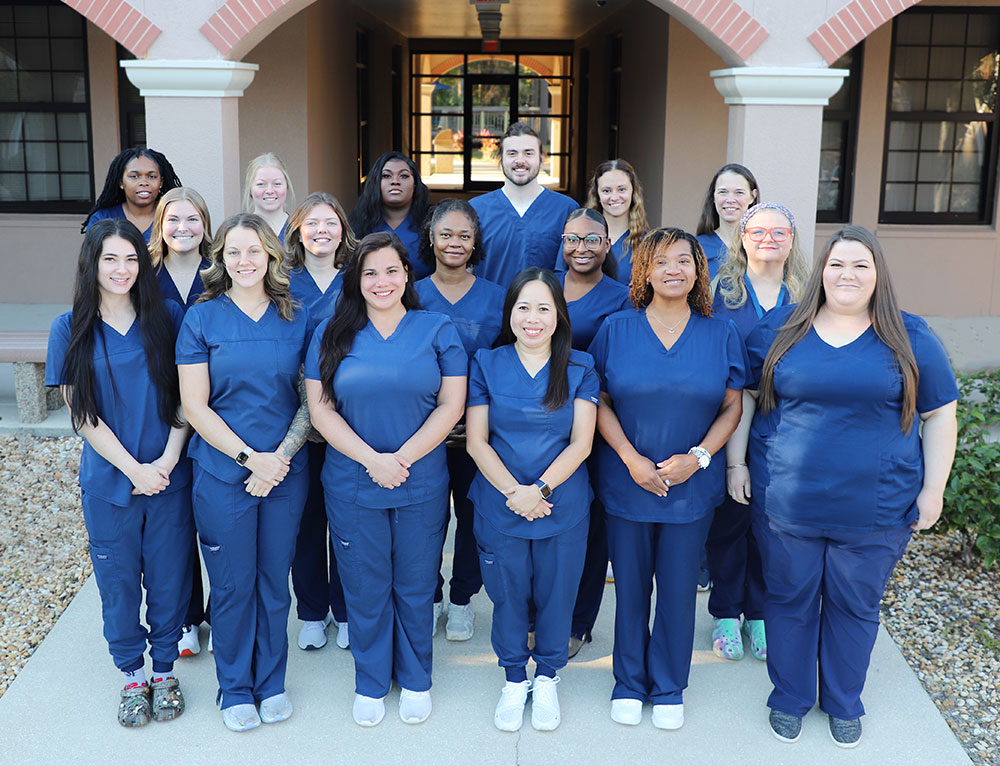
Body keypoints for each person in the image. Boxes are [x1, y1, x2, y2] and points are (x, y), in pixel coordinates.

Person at [734, 225, 959, 748]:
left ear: (878, 274)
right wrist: (735, 464)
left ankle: (842, 701)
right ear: (820, 272)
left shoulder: (910, 335)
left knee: (854, 605)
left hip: (877, 505)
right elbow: (745, 397)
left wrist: (934, 489)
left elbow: (941, 414)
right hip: (790, 499)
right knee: (788, 599)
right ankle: (789, 697)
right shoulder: (783, 330)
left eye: (860, 265)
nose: (847, 274)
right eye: (837, 264)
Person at [305, 232, 466, 727]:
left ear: (407, 275)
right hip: (354, 479)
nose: (381, 281)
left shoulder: (437, 328)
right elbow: (321, 410)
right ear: (355, 279)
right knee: (366, 584)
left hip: (421, 479)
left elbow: (452, 405)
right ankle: (371, 681)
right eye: (369, 272)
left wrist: (403, 457)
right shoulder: (332, 332)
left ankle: (416, 678)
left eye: (391, 270)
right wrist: (372, 459)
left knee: (416, 583)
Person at [588, 228, 745, 730]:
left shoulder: (720, 332)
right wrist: (631, 458)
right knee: (631, 588)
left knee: (678, 588)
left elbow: (732, 404)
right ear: (644, 272)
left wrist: (698, 457)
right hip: (626, 480)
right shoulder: (615, 329)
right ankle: (629, 682)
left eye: (685, 260)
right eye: (661, 261)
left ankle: (670, 684)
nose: (673, 269)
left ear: (700, 270)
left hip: (691, 487)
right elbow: (601, 402)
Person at [46, 219, 192, 727]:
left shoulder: (168, 317)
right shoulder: (70, 328)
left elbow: (186, 401)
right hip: (111, 484)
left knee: (171, 578)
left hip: (169, 477)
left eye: (130, 258)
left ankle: (166, 670)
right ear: (92, 264)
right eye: (110, 259)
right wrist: (134, 469)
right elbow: (83, 414)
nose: (122, 269)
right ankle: (132, 674)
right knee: (119, 581)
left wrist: (168, 462)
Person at [176, 213, 312, 732]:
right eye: (233, 252)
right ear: (220, 259)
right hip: (222, 472)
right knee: (233, 585)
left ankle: (271, 681)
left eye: (255, 251)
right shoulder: (202, 319)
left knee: (274, 581)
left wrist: (276, 459)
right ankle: (234, 687)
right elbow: (195, 405)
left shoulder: (295, 316)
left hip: (284, 471)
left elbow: (309, 398)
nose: (244, 261)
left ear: (272, 257)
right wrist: (248, 459)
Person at [466, 268, 599, 732]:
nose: (533, 317)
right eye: (524, 307)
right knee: (507, 595)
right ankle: (511, 679)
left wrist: (538, 490)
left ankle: (545, 677)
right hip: (501, 502)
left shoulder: (580, 367)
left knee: (557, 593)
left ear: (559, 315)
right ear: (510, 314)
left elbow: (582, 443)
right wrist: (514, 493)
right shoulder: (485, 362)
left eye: (544, 307)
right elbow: (477, 441)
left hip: (560, 504)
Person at [705, 201, 809, 664]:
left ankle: (761, 613)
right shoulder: (718, 292)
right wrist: (734, 460)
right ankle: (725, 611)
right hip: (729, 420)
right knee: (730, 522)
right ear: (742, 237)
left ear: (792, 240)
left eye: (779, 232)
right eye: (759, 231)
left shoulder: (808, 296)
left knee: (773, 530)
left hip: (788, 432)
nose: (768, 240)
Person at [414, 199, 505, 641]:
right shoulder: (410, 293)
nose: (454, 243)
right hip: (422, 434)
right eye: (445, 234)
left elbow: (506, 364)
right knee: (427, 522)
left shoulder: (497, 297)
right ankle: (429, 597)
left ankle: (463, 599)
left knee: (474, 521)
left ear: (475, 243)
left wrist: (483, 421)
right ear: (430, 238)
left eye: (463, 235)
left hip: (477, 433)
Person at [284, 191, 358, 652]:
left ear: (342, 231)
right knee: (306, 522)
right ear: (297, 231)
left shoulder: (357, 282)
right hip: (296, 425)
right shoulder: (280, 282)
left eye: (330, 223)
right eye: (311, 224)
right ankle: (312, 611)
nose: (321, 232)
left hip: (349, 422)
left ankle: (347, 610)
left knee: (347, 523)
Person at [557, 208, 630, 658]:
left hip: (596, 422)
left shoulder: (622, 298)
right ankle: (537, 614)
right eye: (572, 239)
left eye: (591, 240)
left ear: (607, 245)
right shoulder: (541, 285)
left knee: (590, 528)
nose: (581, 248)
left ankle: (579, 621)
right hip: (538, 422)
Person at [148, 187, 214, 658]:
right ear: (160, 225)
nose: (183, 228)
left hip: (216, 412)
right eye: (174, 220)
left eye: (193, 219)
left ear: (206, 225)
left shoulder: (224, 272)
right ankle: (188, 616)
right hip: (162, 411)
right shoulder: (142, 276)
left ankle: (222, 610)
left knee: (213, 519)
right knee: (175, 525)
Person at [470, 122, 578, 286]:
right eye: (512, 153)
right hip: (490, 310)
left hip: (544, 310)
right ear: (501, 158)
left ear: (542, 158)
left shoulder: (566, 210)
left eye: (528, 153)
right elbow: (465, 270)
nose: (520, 161)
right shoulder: (476, 210)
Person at [349, 152, 432, 280]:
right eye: (386, 176)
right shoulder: (356, 225)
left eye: (404, 176)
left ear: (415, 184)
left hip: (423, 298)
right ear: (376, 183)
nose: (395, 181)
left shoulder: (433, 223)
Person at [82, 148, 182, 242]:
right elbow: (92, 258)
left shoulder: (174, 216)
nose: (144, 182)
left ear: (161, 182)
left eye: (151, 176)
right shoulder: (102, 218)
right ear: (121, 182)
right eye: (134, 176)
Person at [584, 159, 649, 286]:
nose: (614, 197)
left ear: (633, 192)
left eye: (622, 189)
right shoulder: (578, 238)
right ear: (597, 194)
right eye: (606, 191)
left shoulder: (647, 243)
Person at [694, 163, 759, 280]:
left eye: (739, 193)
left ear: (752, 196)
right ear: (713, 196)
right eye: (723, 192)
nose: (730, 200)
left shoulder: (762, 246)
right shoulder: (697, 247)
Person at [243, 152, 295, 244]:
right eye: (261, 184)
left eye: (277, 184)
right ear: (250, 189)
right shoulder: (240, 230)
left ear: (287, 186)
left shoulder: (299, 230)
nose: (270, 191)